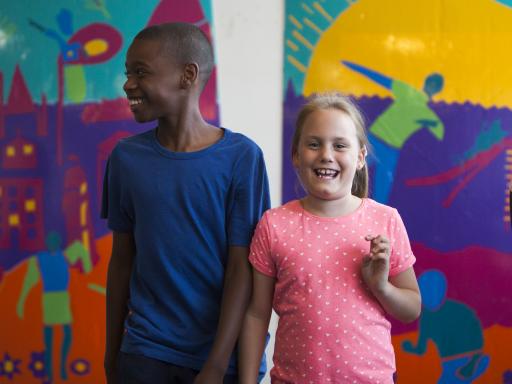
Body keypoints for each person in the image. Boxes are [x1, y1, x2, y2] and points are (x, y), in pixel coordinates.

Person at [101, 22, 270, 384]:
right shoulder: (125, 159)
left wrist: (215, 364)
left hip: (220, 359)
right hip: (146, 352)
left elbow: (243, 269)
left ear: (187, 76)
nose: (128, 84)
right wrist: (110, 356)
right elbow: (121, 261)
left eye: (141, 72)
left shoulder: (242, 157)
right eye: (128, 73)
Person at [239, 93, 421, 383]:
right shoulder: (274, 225)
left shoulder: (385, 220)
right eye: (314, 144)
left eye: (339, 145)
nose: (326, 154)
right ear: (296, 155)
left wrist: (381, 287)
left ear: (360, 157)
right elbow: (257, 315)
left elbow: (412, 308)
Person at [342, 60, 444, 203]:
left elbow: (440, 133)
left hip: (384, 148)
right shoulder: (414, 100)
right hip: (377, 144)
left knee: (373, 191)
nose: (431, 87)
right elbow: (440, 132)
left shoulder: (415, 100)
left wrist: (354, 66)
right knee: (350, 177)